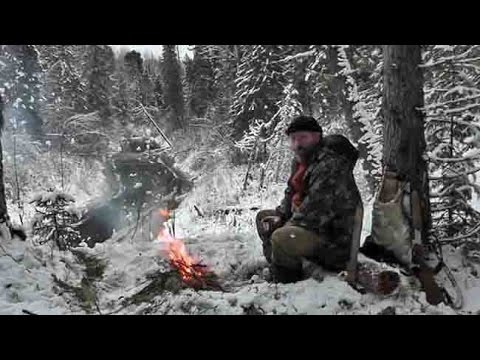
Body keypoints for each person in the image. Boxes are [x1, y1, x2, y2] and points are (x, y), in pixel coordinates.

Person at [256, 116, 362, 283]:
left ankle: (287, 284)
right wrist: (280, 215)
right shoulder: (302, 162)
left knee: (281, 237)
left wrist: (285, 224)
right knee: (264, 218)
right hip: (311, 226)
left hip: (332, 238)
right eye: (293, 139)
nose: (298, 144)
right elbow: (291, 193)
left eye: (303, 138)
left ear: (317, 137)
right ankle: (282, 265)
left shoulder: (330, 165)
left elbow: (316, 211)